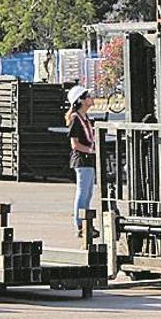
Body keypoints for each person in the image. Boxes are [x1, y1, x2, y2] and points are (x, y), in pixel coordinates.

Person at [65, 85, 99, 238]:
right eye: (88, 96)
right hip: (81, 160)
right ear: (81, 100)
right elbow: (75, 144)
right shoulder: (75, 119)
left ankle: (87, 223)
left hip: (89, 159)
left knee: (89, 193)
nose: (91, 98)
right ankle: (79, 223)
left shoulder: (86, 118)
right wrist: (92, 150)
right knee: (82, 192)